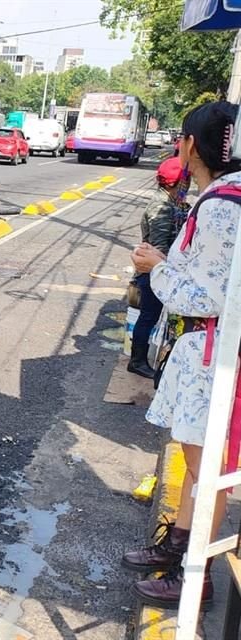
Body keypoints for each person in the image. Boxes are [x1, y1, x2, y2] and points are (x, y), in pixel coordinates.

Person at [123, 101, 241, 609]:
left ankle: (196, 574)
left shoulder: (220, 206)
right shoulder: (223, 197)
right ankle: (176, 549)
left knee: (206, 467)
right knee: (198, 465)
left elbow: (205, 295)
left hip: (212, 350)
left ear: (191, 144)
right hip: (208, 348)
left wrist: (157, 266)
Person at [127, 157, 188, 378]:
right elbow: (160, 244)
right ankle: (137, 361)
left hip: (157, 269)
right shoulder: (161, 207)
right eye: (186, 181)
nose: (188, 185)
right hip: (153, 272)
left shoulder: (173, 203)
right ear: (176, 183)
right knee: (148, 317)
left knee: (151, 317)